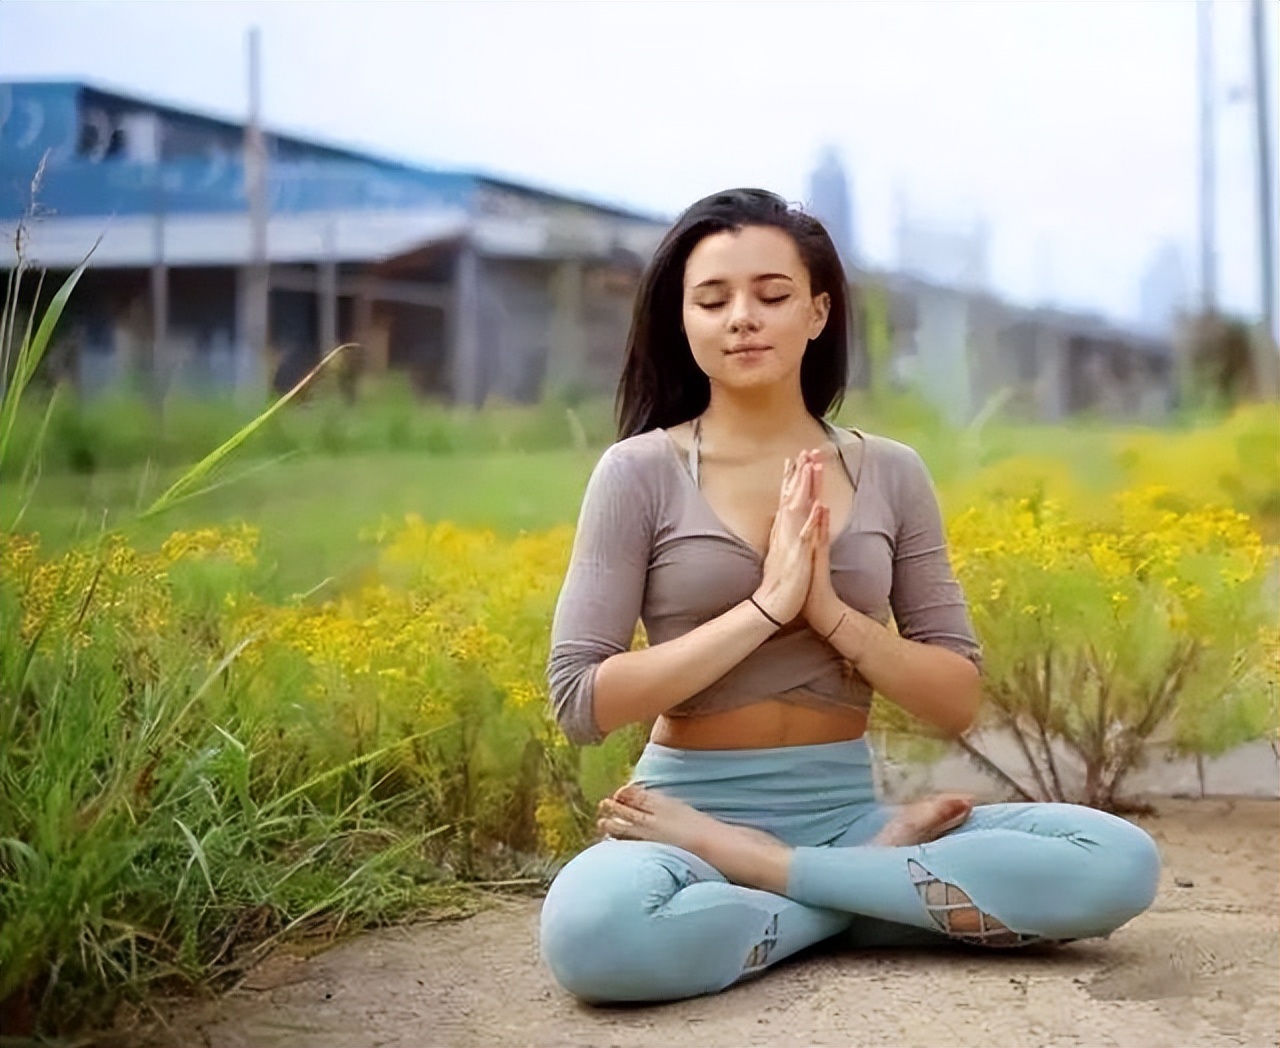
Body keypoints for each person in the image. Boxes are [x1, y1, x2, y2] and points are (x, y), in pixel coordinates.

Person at [539, 188, 1160, 1004]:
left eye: (771, 294)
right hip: (686, 818)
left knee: (1117, 861)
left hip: (842, 812)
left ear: (819, 312)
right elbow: (581, 700)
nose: (742, 318)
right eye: (712, 299)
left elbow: (956, 698)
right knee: (595, 937)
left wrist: (829, 613)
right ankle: (867, 894)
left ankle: (785, 877)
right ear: (681, 321)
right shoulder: (640, 473)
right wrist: (766, 605)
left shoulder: (890, 471)